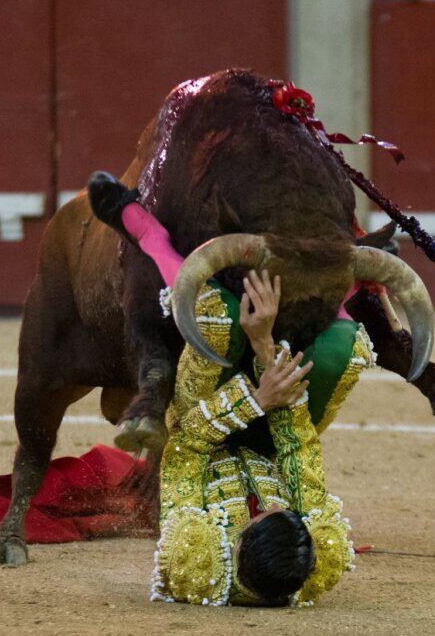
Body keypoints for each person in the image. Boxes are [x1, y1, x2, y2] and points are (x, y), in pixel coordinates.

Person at [91, 179, 371, 606]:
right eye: (277, 508)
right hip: (268, 437)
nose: (264, 506)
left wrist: (256, 397)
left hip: (200, 418)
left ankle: (150, 236)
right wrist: (264, 351)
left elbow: (184, 445)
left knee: (216, 316)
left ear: (238, 542)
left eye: (257, 516)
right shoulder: (313, 554)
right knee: (346, 353)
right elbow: (298, 452)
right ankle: (338, 281)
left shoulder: (197, 554)